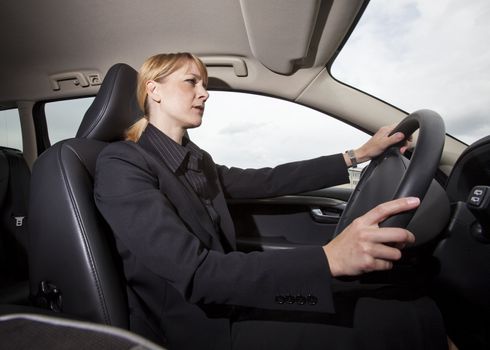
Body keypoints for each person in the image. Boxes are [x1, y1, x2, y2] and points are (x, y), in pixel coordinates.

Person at [94, 53, 447, 350]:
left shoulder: (195, 159)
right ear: (153, 89)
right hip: (201, 328)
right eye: (192, 82)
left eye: (205, 84)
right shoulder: (122, 164)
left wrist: (358, 154)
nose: (204, 93)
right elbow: (196, 274)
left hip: (232, 300)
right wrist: (329, 258)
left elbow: (270, 179)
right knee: (398, 322)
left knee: (390, 296)